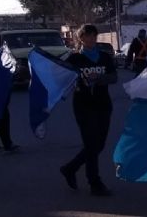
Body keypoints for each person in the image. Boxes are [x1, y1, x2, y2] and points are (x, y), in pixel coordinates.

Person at [59, 24, 118, 197]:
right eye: (88, 36)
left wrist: (100, 78)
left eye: (94, 35)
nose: (92, 39)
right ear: (81, 38)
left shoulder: (104, 57)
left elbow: (114, 77)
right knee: (91, 144)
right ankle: (95, 183)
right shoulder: (74, 59)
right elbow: (63, 78)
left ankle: (70, 168)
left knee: (99, 145)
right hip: (84, 106)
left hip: (103, 105)